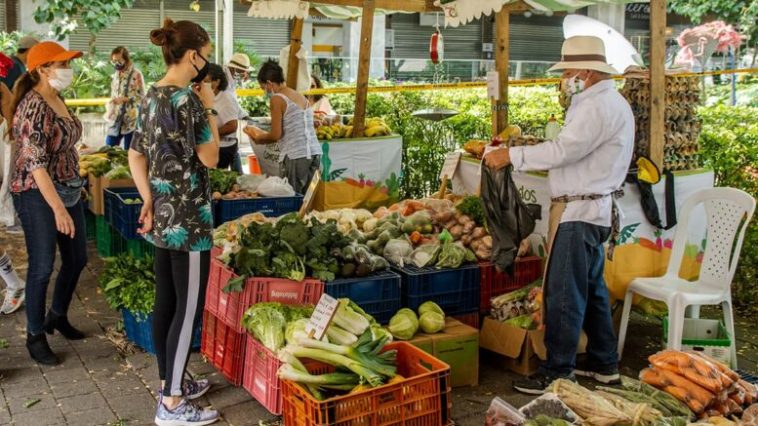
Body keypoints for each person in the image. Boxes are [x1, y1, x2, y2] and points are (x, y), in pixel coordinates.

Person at [485, 36, 634, 394]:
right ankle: (604, 364)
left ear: (587, 72)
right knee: (593, 290)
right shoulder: (605, 101)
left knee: (564, 293)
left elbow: (564, 151)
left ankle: (558, 371)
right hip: (591, 210)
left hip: (580, 211)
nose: (565, 76)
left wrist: (512, 157)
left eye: (569, 70)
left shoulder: (597, 107)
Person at [129, 18, 221, 426]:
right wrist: (210, 106)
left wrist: (148, 199)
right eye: (207, 56)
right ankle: (171, 403)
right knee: (188, 310)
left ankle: (172, 378)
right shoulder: (188, 101)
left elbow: (135, 154)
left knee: (166, 303)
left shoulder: (151, 95)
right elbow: (211, 158)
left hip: (164, 216)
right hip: (192, 220)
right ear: (193, 55)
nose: (207, 64)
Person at [9, 41, 87, 366]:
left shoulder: (58, 97)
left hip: (67, 188)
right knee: (42, 266)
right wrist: (56, 208)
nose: (67, 69)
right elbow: (37, 164)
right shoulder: (34, 105)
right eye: (61, 64)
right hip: (36, 192)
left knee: (77, 258)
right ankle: (35, 335)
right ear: (42, 69)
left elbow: (64, 145)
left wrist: (75, 179)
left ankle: (57, 315)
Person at [243, 60, 321, 195]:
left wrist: (259, 138)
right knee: (308, 201)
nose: (265, 92)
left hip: (296, 156)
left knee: (292, 198)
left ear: (269, 83)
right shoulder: (299, 96)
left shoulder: (277, 99)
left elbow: (275, 135)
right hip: (315, 153)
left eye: (263, 88)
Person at [104, 46, 145, 150]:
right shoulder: (116, 75)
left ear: (126, 59)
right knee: (108, 149)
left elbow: (142, 97)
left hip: (131, 121)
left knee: (130, 153)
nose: (116, 63)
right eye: (114, 61)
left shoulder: (137, 74)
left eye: (119, 60)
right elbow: (113, 94)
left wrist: (125, 99)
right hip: (115, 119)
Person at [205, 64, 240, 172]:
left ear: (217, 82)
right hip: (212, 145)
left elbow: (232, 126)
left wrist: (210, 132)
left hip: (224, 148)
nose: (204, 84)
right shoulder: (209, 96)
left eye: (207, 81)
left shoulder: (226, 99)